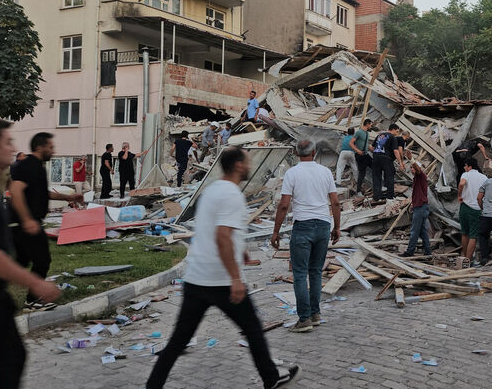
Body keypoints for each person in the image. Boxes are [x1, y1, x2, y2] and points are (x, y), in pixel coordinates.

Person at [147, 147, 299, 389]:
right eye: (247, 161)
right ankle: (270, 377)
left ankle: (153, 385)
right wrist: (236, 279)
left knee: (178, 340)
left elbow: (215, 231)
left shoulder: (212, 190)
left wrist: (241, 251)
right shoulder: (232, 195)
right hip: (220, 281)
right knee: (252, 328)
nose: (249, 165)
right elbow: (222, 237)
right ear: (238, 165)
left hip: (196, 278)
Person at [0, 118, 62, 389]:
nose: (13, 148)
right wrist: (36, 283)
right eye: (7, 142)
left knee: (12, 357)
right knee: (10, 358)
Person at [271, 140, 341, 334]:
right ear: (315, 152)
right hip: (323, 225)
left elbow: (284, 205)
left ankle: (304, 319)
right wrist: (337, 227)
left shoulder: (292, 173)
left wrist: (276, 231)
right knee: (316, 271)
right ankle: (315, 314)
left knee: (300, 274)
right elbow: (335, 202)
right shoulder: (325, 172)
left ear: (295, 152)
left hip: (303, 226)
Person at [9, 132, 81, 309]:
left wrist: (68, 197)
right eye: (51, 147)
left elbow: (42, 192)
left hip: (26, 224)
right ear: (40, 147)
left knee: (20, 263)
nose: (53, 151)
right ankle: (32, 299)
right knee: (42, 261)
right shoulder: (27, 165)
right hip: (26, 224)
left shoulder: (37, 167)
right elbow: (16, 191)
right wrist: (27, 220)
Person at [458, 158, 486, 264]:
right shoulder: (484, 177)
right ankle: (468, 261)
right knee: (473, 235)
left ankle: (464, 257)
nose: (464, 168)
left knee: (464, 233)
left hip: (465, 207)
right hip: (476, 208)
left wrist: (459, 195)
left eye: (465, 166)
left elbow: (461, 184)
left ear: (470, 166)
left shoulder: (466, 174)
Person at [401, 160, 432, 257]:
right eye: (411, 168)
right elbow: (416, 194)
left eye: (413, 168)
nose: (411, 170)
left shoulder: (421, 176)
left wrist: (411, 159)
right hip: (419, 207)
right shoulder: (416, 179)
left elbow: (419, 171)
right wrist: (412, 204)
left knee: (414, 231)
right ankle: (428, 251)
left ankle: (410, 251)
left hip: (420, 208)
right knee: (422, 231)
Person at [371, 124, 403, 203]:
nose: (397, 133)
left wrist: (377, 154)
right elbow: (396, 151)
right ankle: (390, 197)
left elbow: (372, 147)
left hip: (376, 157)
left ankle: (376, 197)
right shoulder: (392, 137)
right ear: (393, 129)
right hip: (386, 158)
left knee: (376, 177)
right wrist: (400, 163)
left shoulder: (379, 135)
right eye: (397, 131)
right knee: (390, 176)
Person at [349, 119, 373, 196]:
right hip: (360, 155)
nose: (371, 126)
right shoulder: (359, 132)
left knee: (376, 167)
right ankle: (358, 190)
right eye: (371, 125)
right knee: (362, 173)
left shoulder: (367, 133)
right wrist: (357, 150)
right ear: (367, 124)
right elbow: (351, 143)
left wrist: (372, 149)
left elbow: (366, 144)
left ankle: (378, 186)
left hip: (366, 154)